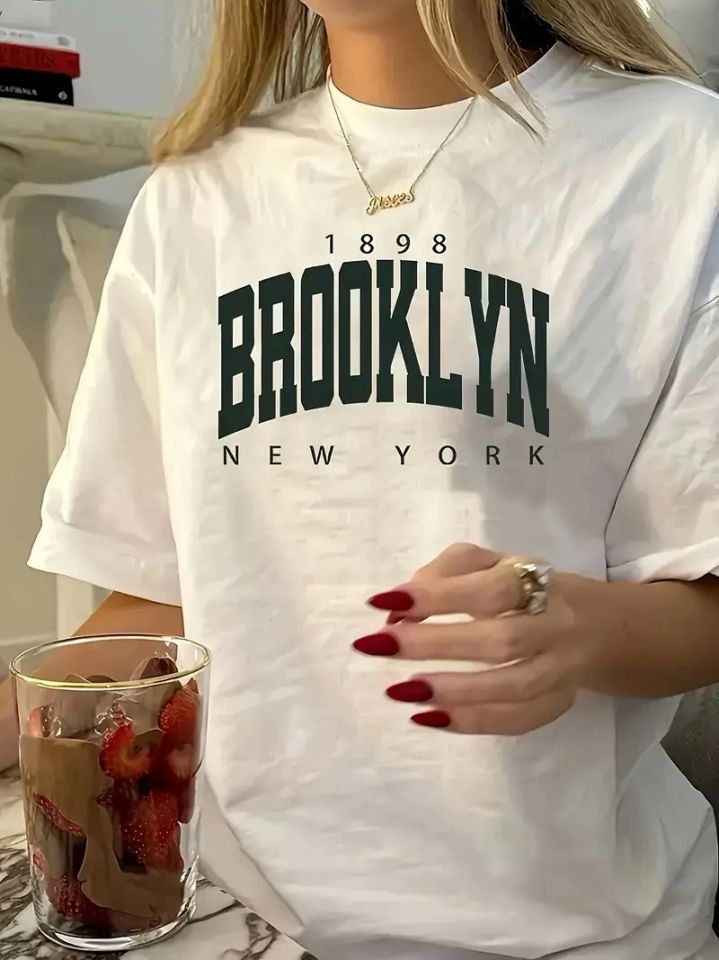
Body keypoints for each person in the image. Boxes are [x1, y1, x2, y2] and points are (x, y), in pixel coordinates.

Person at [9, 1, 719, 957]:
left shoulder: (678, 158)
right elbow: (160, 594)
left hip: (571, 927)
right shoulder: (193, 198)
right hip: (234, 915)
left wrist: (579, 629)